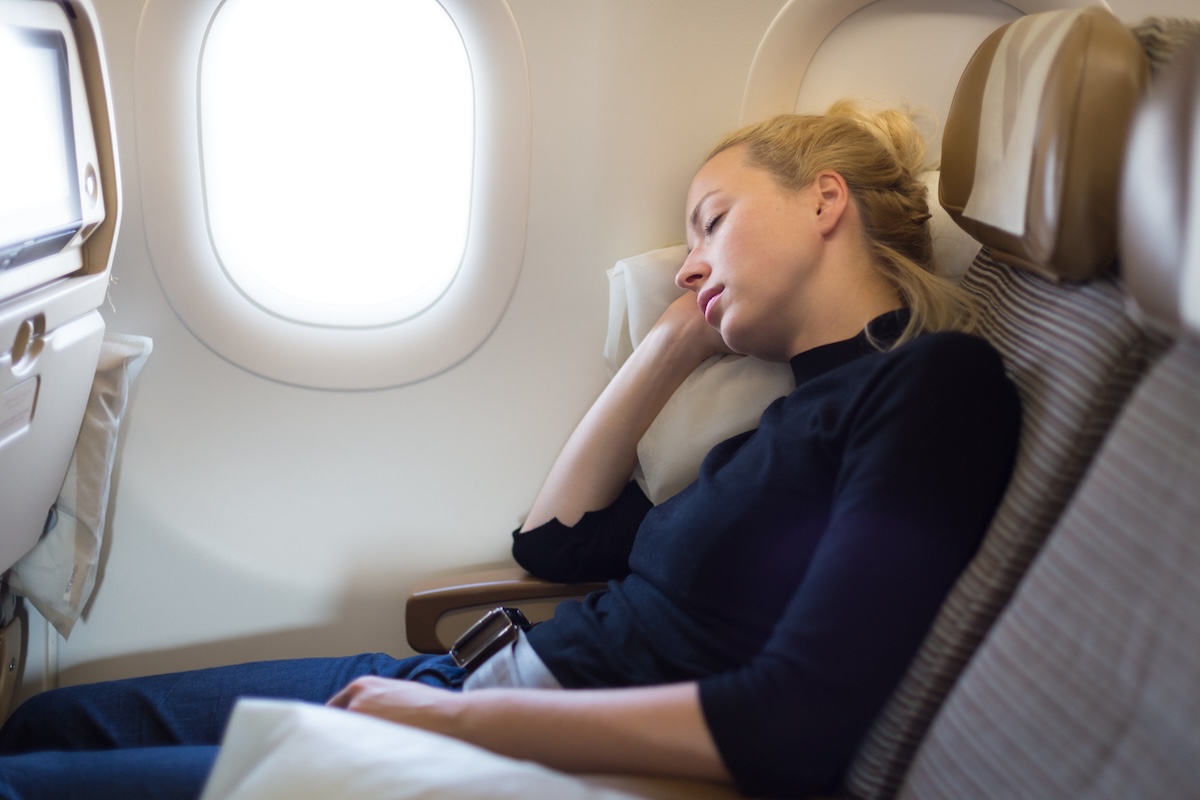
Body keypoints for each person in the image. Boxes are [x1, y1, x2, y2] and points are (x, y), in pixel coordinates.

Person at [0, 102, 1020, 800]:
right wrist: (674, 341)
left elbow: (792, 726)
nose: (691, 264)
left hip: (523, 743)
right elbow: (555, 541)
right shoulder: (783, 421)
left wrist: (450, 726)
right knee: (48, 725)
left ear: (825, 200)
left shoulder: (936, 389)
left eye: (712, 221)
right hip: (463, 680)